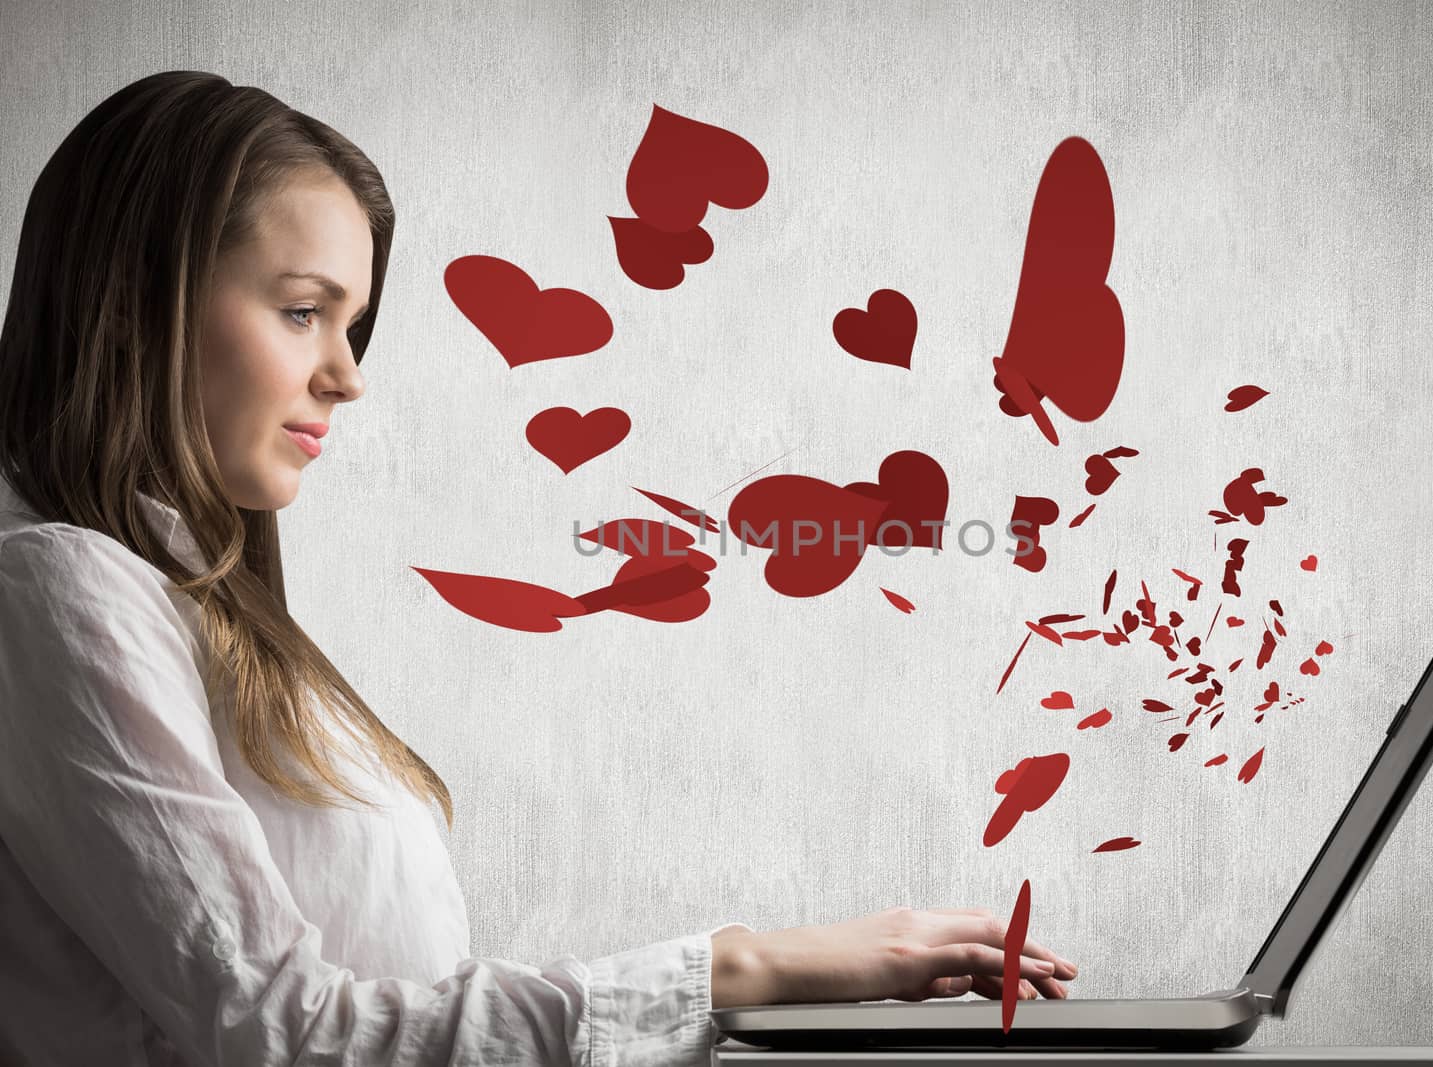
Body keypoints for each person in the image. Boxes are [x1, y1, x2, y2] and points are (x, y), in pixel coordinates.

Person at [0, 70, 1078, 1065]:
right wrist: (746, 966)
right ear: (137, 304)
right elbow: (282, 1028)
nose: (345, 375)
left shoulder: (173, 596)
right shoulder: (58, 588)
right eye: (300, 310)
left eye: (353, 324)